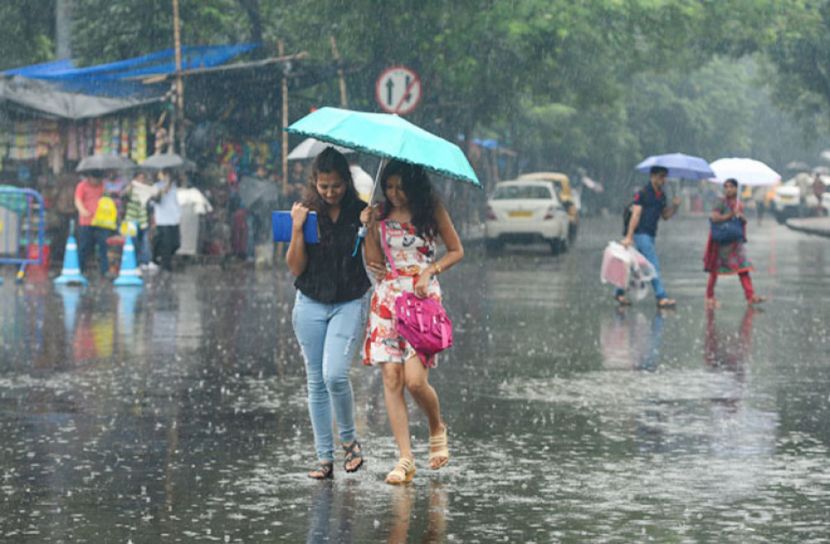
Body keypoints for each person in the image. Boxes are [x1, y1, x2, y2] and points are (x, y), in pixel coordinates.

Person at [361, 160, 464, 485]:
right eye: (388, 187)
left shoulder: (430, 209)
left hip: (421, 301)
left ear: (414, 185)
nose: (394, 194)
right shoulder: (379, 212)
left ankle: (436, 425)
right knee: (391, 378)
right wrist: (368, 230)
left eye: (400, 187)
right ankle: (405, 458)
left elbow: (456, 250)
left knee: (415, 381)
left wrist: (429, 270)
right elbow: (375, 262)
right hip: (388, 300)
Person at [286, 147, 370, 480]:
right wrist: (296, 228)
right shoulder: (307, 212)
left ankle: (349, 441)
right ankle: (324, 458)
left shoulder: (361, 212)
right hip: (310, 302)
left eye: (336, 185)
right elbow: (295, 266)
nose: (330, 192)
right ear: (314, 183)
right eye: (324, 186)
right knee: (316, 383)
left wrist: (369, 228)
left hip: (349, 300)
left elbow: (372, 261)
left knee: (335, 374)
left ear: (346, 183)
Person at [616, 166, 680, 308]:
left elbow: (665, 216)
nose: (663, 180)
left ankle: (619, 292)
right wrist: (629, 236)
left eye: (665, 176)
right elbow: (636, 214)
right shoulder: (643, 193)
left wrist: (675, 207)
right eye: (661, 176)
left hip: (651, 235)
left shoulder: (662, 196)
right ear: (652, 176)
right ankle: (661, 297)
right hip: (641, 234)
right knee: (652, 264)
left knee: (635, 266)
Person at [703, 178, 766, 308]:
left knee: (743, 268)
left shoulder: (738, 204)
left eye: (731, 187)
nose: (728, 189)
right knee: (714, 271)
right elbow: (714, 217)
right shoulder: (720, 202)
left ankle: (750, 296)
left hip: (735, 243)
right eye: (726, 187)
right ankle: (709, 297)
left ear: (737, 189)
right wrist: (730, 215)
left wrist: (741, 218)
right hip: (721, 243)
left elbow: (738, 222)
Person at [74, 170, 109, 277]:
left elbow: (107, 200)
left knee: (103, 246)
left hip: (101, 221)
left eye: (99, 179)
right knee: (84, 246)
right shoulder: (82, 186)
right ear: (89, 177)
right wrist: (82, 210)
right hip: (86, 222)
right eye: (95, 179)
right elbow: (77, 200)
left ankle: (104, 270)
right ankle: (80, 269)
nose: (97, 182)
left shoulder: (103, 186)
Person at [123, 171, 157, 269]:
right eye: (139, 178)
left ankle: (145, 261)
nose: (141, 180)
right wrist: (131, 185)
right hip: (130, 220)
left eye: (143, 178)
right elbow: (124, 194)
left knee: (145, 242)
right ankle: (134, 263)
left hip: (143, 220)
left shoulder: (146, 191)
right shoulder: (131, 189)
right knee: (132, 243)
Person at [151, 170, 181, 272]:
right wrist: (163, 191)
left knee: (176, 243)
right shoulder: (156, 186)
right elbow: (156, 200)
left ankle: (160, 256)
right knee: (167, 243)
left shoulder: (174, 186)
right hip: (163, 219)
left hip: (174, 218)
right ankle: (165, 265)